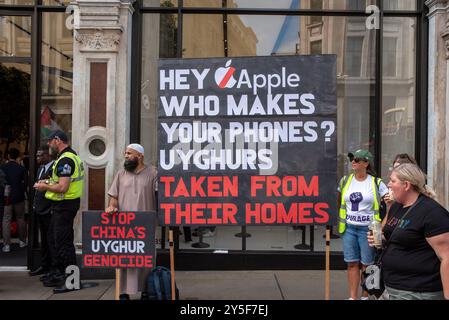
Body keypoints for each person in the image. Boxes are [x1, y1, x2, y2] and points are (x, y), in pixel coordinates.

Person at [368, 163, 449, 300]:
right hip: (391, 288)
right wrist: (381, 240)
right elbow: (398, 238)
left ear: (406, 185)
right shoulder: (396, 206)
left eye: (393, 181)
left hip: (417, 292)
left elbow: (446, 256)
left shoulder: (432, 213)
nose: (388, 185)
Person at [34, 130, 84, 292]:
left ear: (57, 140)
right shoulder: (66, 157)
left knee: (63, 244)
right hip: (63, 206)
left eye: (50, 141)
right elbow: (59, 181)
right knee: (56, 240)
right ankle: (61, 275)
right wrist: (48, 181)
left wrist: (44, 186)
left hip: (65, 205)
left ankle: (72, 282)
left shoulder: (66, 160)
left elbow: (63, 186)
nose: (49, 145)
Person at [337, 149, 392, 300]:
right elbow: (339, 201)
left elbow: (390, 203)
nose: (353, 162)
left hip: (368, 230)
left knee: (367, 265)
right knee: (351, 263)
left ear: (366, 163)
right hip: (349, 228)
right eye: (352, 160)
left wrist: (383, 224)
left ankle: (365, 296)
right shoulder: (345, 181)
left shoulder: (376, 182)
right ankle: (353, 297)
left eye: (357, 160)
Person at [106, 143, 158, 300]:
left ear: (140, 156)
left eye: (129, 153)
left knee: (145, 259)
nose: (126, 156)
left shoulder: (153, 173)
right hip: (125, 225)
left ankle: (146, 290)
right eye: (125, 153)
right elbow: (113, 198)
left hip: (145, 225)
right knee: (124, 258)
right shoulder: (121, 174)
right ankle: (123, 292)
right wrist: (111, 207)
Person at [29, 146, 55, 276]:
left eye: (40, 155)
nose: (38, 158)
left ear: (48, 155)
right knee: (43, 240)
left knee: (51, 240)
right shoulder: (40, 168)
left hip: (49, 211)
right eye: (37, 156)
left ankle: (52, 268)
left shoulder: (54, 168)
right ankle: (44, 266)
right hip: (39, 209)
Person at [1, 148, 28, 253]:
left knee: (6, 219)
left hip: (6, 197)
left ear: (8, 156)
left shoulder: (3, 167)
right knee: (21, 218)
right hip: (19, 197)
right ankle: (22, 241)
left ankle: (7, 245)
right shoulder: (21, 169)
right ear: (17, 157)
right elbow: (25, 184)